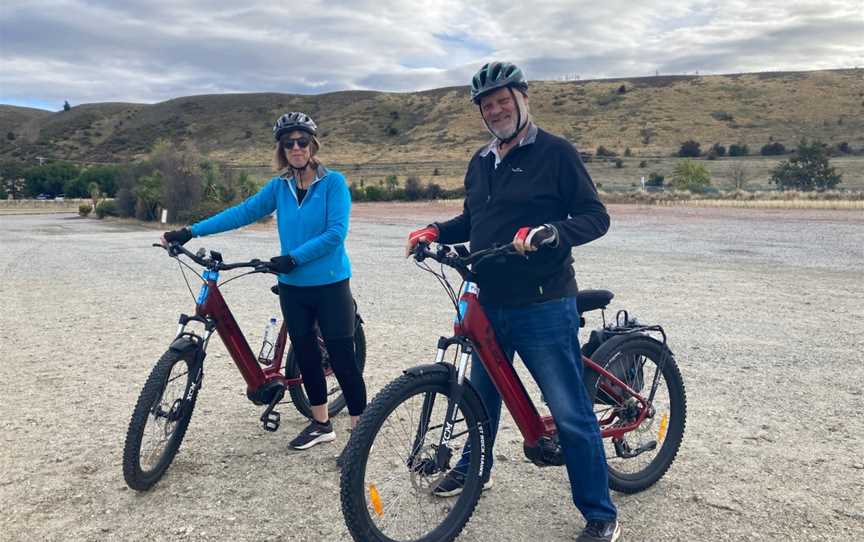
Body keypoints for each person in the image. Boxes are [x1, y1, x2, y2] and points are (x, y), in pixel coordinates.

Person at [405, 62, 620, 542]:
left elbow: (594, 216)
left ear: (523, 98)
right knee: (480, 399)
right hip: (487, 301)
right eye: (487, 104)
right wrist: (435, 231)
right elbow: (474, 219)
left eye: (503, 99)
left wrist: (552, 232)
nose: (496, 109)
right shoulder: (481, 161)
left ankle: (600, 512)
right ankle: (471, 472)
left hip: (542, 301)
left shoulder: (555, 153)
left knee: (568, 411)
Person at [162, 112, 366, 451]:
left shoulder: (333, 183)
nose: (296, 148)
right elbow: (242, 212)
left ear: (312, 145)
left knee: (342, 358)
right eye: (289, 144)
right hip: (293, 287)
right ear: (282, 150)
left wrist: (294, 257)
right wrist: (190, 230)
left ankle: (359, 437)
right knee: (306, 354)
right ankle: (320, 424)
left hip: (330, 284)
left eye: (302, 141)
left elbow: (335, 233)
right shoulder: (280, 187)